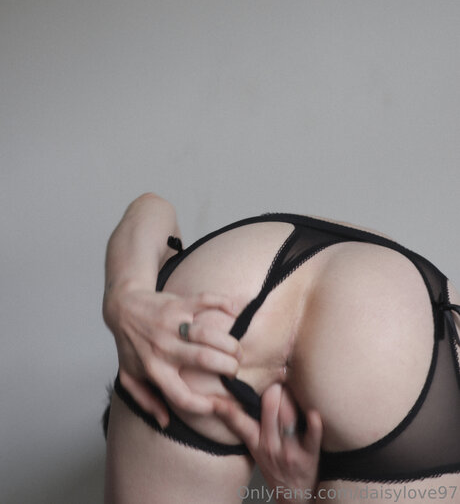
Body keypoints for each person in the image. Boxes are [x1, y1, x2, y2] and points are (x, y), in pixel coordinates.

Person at [102, 193, 460, 504]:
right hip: (394, 313)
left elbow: (150, 205)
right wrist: (126, 294)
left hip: (226, 283)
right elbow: (150, 206)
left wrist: (126, 294)